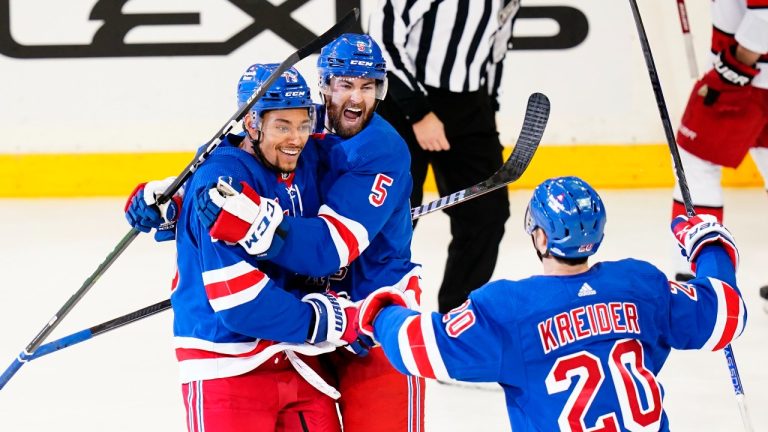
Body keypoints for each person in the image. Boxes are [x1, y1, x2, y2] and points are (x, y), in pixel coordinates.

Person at [358, 176, 746, 431]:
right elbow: (726, 312)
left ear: (540, 238)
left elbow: (419, 347)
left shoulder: (510, 308)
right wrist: (709, 246)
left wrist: (377, 308)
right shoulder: (639, 285)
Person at [197, 34, 426, 432]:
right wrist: (185, 195)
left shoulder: (383, 149)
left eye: (368, 87)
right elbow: (239, 149)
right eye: (345, 85)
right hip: (314, 317)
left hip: (374, 317)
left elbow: (327, 249)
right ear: (325, 85)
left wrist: (256, 226)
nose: (356, 99)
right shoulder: (305, 121)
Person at [125, 64, 366, 432]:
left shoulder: (310, 159)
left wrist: (174, 202)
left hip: (296, 359)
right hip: (226, 364)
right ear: (252, 124)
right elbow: (240, 305)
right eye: (282, 126)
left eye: (303, 124)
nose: (296, 139)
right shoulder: (222, 182)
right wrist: (327, 320)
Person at [368, 0, 520, 313]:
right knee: (395, 214)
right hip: (404, 100)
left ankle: (458, 316)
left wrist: (489, 109)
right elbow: (382, 37)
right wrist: (418, 111)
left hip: (468, 105)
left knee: (487, 214)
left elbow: (495, 52)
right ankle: (372, 312)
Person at [671, 0, 768, 298]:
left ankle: (696, 277)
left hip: (749, 80)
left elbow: (765, 16)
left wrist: (736, 65)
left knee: (696, 164)